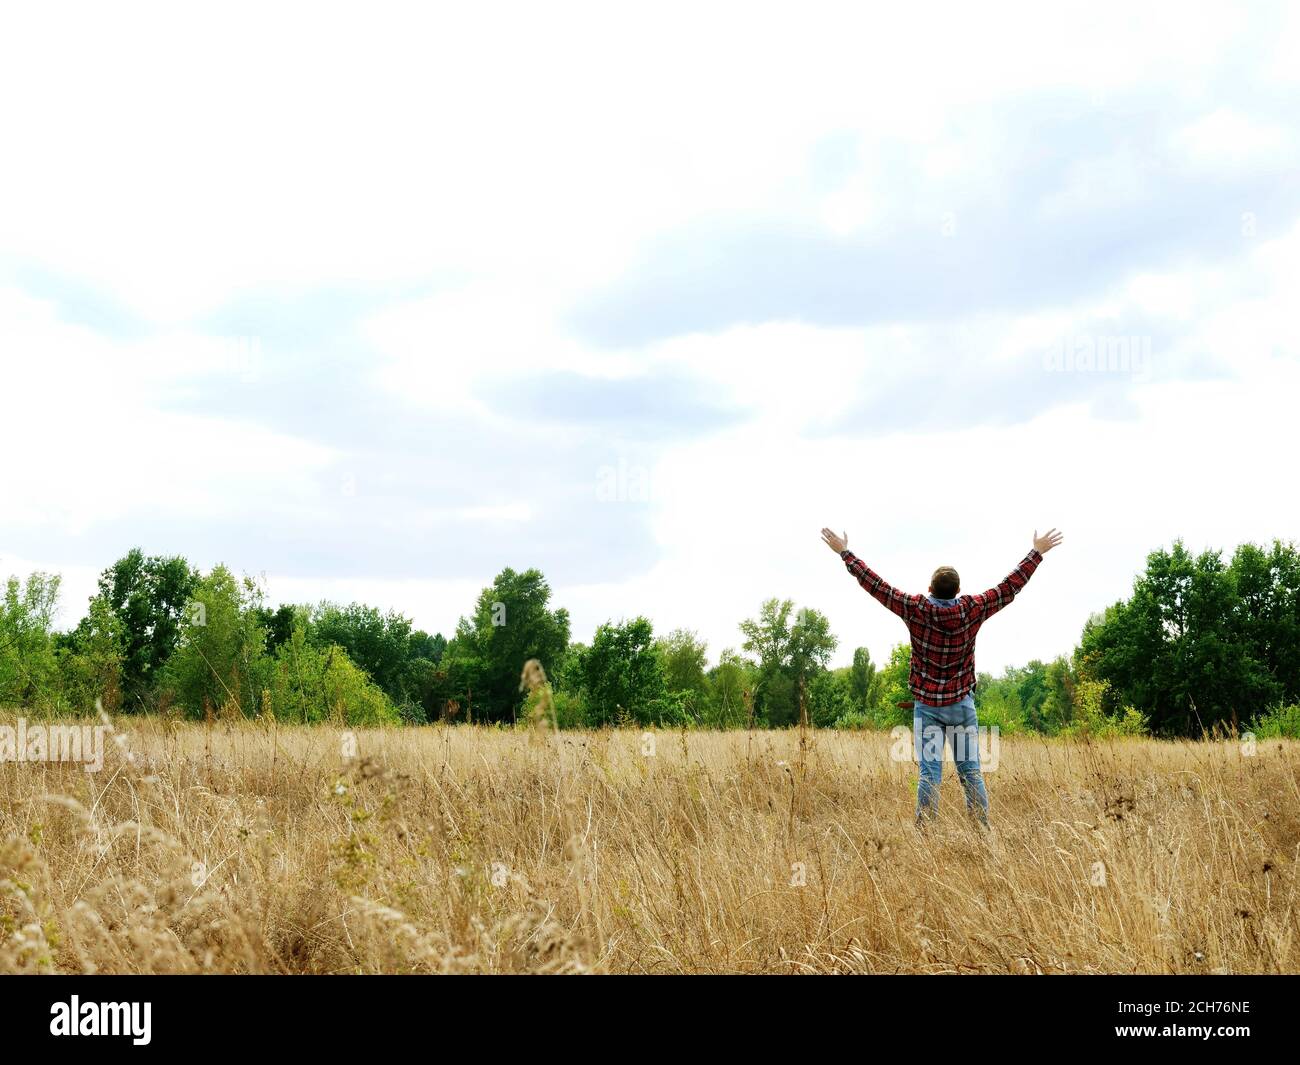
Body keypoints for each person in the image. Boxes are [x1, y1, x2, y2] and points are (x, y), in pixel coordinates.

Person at [820, 526, 1064, 825]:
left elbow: (877, 587)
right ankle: (980, 828)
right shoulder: (972, 608)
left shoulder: (916, 608)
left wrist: (845, 553)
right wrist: (1036, 552)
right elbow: (1009, 587)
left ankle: (925, 834)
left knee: (929, 774)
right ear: (958, 591)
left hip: (928, 708)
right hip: (961, 705)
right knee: (970, 771)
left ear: (930, 588)